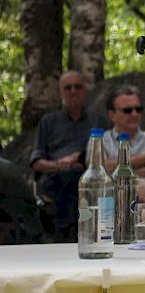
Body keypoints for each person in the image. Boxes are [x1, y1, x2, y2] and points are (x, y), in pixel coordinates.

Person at [30, 70, 110, 241]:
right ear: (61, 92)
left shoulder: (98, 122)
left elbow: (106, 155)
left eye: (77, 87)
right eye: (68, 88)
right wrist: (59, 164)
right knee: (68, 181)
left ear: (85, 90)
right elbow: (36, 162)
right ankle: (69, 240)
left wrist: (80, 158)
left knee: (82, 182)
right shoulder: (48, 122)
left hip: (90, 177)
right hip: (55, 178)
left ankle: (76, 239)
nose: (73, 91)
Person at [100, 84, 145, 211]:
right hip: (111, 198)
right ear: (112, 114)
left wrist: (120, 171)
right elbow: (99, 169)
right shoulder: (100, 140)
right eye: (127, 110)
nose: (134, 114)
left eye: (138, 109)